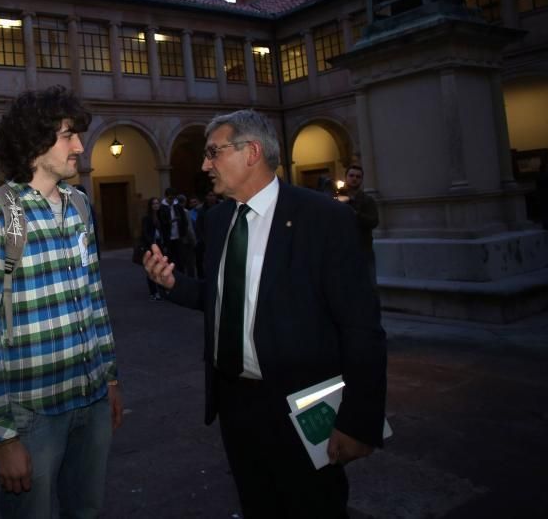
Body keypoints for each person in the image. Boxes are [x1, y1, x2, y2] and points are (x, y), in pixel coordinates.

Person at [143, 109, 387, 518]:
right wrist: (174, 285)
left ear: (252, 152)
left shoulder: (323, 218)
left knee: (315, 507)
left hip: (301, 406)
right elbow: (228, 299)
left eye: (213, 153)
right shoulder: (219, 221)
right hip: (236, 403)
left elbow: (361, 327)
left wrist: (359, 421)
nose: (204, 165)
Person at [0, 85, 122, 518]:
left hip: (90, 401)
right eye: (68, 134)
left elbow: (94, 299)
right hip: (33, 413)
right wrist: (4, 435)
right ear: (35, 141)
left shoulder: (79, 205)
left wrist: (108, 378)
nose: (80, 146)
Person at [338, 164, 380, 286]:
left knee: (369, 286)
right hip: (344, 250)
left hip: (364, 250)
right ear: (346, 177)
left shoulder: (368, 200)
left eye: (358, 176)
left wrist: (356, 214)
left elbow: (374, 221)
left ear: (361, 180)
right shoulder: (339, 199)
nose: (354, 178)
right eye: (351, 175)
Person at [140, 197, 164, 300]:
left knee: (160, 268)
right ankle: (153, 292)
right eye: (154, 204)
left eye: (157, 203)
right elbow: (145, 233)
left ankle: (160, 290)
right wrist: (151, 244)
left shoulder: (160, 216)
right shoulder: (147, 218)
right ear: (150, 206)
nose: (156, 205)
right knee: (151, 269)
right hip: (151, 246)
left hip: (160, 244)